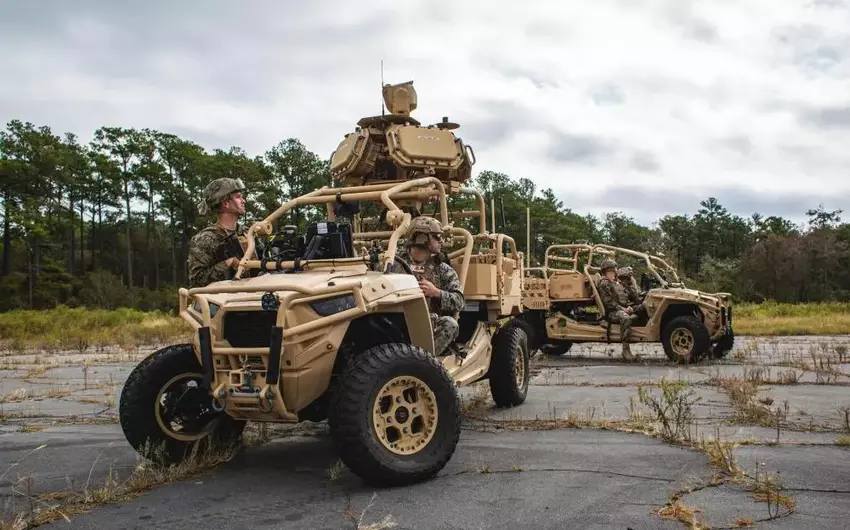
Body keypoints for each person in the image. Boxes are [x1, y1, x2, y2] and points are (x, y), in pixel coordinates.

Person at [397, 216, 465, 356]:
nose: (441, 241)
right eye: (437, 237)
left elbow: (459, 302)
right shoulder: (393, 263)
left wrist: (437, 293)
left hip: (426, 326)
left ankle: (425, 361)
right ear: (422, 238)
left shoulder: (442, 269)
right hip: (395, 323)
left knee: (450, 324)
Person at [187, 177, 256, 288]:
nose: (243, 201)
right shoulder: (205, 239)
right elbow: (196, 280)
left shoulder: (247, 233)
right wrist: (228, 263)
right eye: (238, 197)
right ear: (226, 203)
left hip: (254, 294)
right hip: (224, 297)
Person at [597, 259, 638, 360]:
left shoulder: (617, 283)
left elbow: (627, 296)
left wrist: (631, 283)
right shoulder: (604, 284)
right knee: (626, 318)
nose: (615, 272)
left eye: (614, 270)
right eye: (612, 270)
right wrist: (623, 309)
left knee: (642, 309)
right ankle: (626, 350)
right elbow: (608, 303)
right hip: (612, 312)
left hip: (623, 308)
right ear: (606, 271)